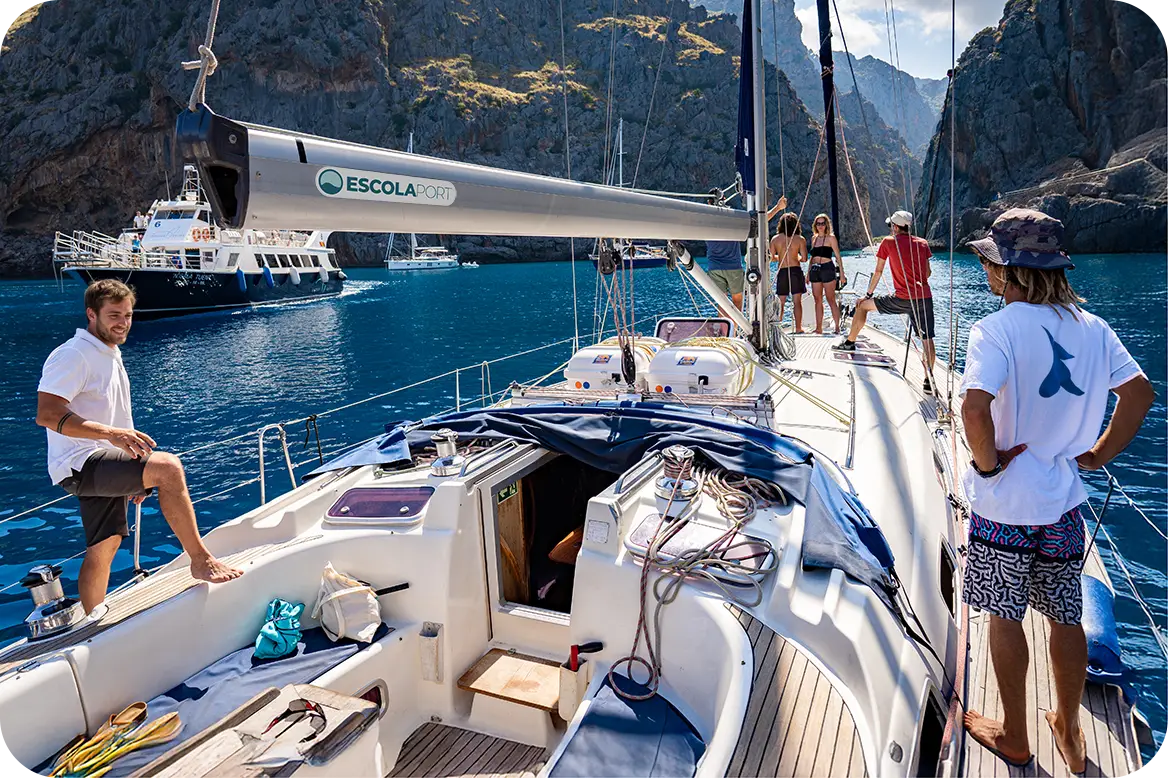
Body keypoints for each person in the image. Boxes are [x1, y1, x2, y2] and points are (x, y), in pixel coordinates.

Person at [958, 209, 1154, 773]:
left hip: (1003, 511)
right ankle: (1069, 731)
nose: (988, 274)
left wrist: (990, 467)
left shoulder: (995, 329)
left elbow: (975, 409)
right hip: (1063, 507)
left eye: (991, 263)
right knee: (1065, 616)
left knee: (1004, 616)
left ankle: (1016, 736)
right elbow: (1138, 395)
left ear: (1009, 271)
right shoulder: (1094, 329)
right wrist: (1096, 454)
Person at [36, 280, 243, 614]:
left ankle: (93, 621)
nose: (123, 322)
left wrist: (135, 466)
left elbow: (113, 413)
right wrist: (115, 437)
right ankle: (200, 560)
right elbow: (47, 414)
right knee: (169, 468)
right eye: (114, 314)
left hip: (98, 461)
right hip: (80, 462)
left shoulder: (108, 353)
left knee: (104, 545)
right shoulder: (74, 355)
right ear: (92, 314)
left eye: (128, 315)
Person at [833, 210, 936, 392]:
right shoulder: (923, 243)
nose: (890, 230)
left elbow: (879, 271)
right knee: (927, 339)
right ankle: (929, 380)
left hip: (902, 298)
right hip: (924, 298)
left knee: (862, 306)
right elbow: (927, 273)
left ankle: (850, 341)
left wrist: (868, 294)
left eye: (891, 226)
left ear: (896, 227)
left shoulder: (888, 242)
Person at [704, 192, 787, 316]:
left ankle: (724, 332)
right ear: (724, 199)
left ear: (708, 202)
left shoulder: (704, 219)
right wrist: (777, 208)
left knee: (722, 303)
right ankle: (734, 331)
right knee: (737, 302)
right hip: (733, 267)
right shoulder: (732, 217)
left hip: (714, 268)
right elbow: (758, 222)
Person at [807, 213, 846, 334]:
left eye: (823, 223)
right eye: (818, 223)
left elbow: (838, 256)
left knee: (831, 299)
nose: (820, 226)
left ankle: (837, 327)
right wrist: (807, 273)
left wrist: (842, 274)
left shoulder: (831, 238)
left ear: (826, 225)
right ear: (815, 225)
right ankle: (819, 328)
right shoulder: (814, 238)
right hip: (815, 270)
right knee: (817, 299)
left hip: (828, 268)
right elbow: (812, 257)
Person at [770, 212, 807, 333]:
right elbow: (805, 258)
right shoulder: (800, 239)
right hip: (795, 270)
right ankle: (798, 328)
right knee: (797, 301)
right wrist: (796, 257)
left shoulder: (775, 239)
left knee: (781, 301)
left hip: (782, 271)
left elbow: (771, 258)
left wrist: (780, 257)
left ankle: (778, 328)